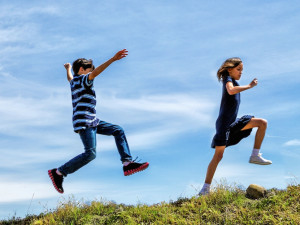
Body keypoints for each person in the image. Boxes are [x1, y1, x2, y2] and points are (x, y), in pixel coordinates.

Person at [48, 49, 149, 194]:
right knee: (90, 154)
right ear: (82, 70)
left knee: (118, 130)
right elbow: (96, 72)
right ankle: (58, 172)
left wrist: (68, 68)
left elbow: (69, 78)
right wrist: (113, 59)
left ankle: (127, 163)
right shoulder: (84, 80)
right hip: (85, 121)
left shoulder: (74, 82)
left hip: (92, 120)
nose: (91, 75)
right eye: (89, 71)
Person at [199, 57, 271, 196]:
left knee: (262, 123)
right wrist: (249, 86)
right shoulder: (228, 80)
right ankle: (205, 189)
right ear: (229, 69)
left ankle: (255, 155)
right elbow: (231, 91)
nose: (241, 72)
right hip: (224, 125)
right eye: (238, 69)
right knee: (218, 156)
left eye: (242, 70)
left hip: (233, 122)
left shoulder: (234, 81)